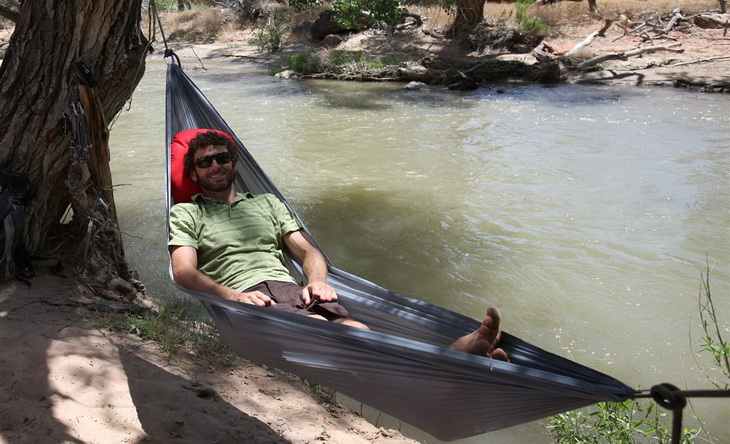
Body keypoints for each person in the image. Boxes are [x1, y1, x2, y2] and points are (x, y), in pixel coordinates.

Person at [169, 131, 509, 362]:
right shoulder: (187, 211)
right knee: (331, 334)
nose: (215, 165)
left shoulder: (267, 203)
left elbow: (309, 252)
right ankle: (450, 358)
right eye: (204, 162)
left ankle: (448, 366)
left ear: (234, 163)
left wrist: (317, 280)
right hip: (245, 300)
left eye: (221, 158)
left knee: (356, 330)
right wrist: (233, 296)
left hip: (289, 289)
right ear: (195, 175)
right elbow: (183, 272)